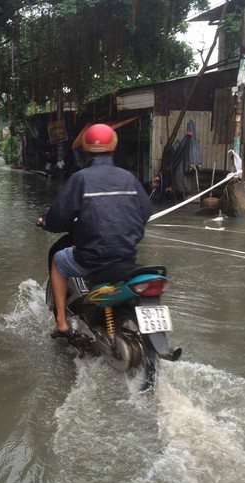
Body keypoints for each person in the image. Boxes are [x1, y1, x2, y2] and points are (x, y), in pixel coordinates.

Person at [37, 124, 152, 337]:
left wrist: (45, 221)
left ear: (86, 150)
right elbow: (145, 212)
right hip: (127, 258)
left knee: (57, 260)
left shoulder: (80, 179)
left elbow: (58, 218)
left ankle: (61, 322)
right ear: (114, 147)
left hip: (93, 258)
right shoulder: (128, 178)